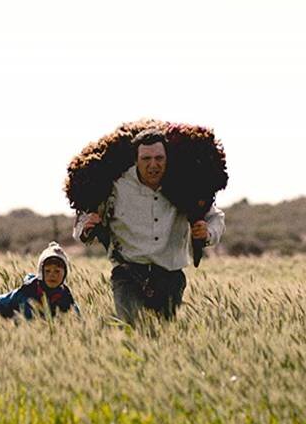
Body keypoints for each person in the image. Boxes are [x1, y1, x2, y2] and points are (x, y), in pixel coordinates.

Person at [73, 129, 225, 324]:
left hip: (170, 278)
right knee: (132, 332)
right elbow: (82, 221)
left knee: (165, 339)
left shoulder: (184, 186)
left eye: (159, 158)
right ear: (136, 160)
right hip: (128, 275)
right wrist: (87, 229)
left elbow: (216, 218)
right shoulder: (116, 187)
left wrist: (207, 232)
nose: (153, 165)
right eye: (146, 159)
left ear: (167, 159)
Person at [0, 241, 80, 320]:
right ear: (40, 273)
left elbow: (80, 326)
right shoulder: (25, 293)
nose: (52, 275)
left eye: (57, 271)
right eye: (47, 271)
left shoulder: (68, 301)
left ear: (65, 274)